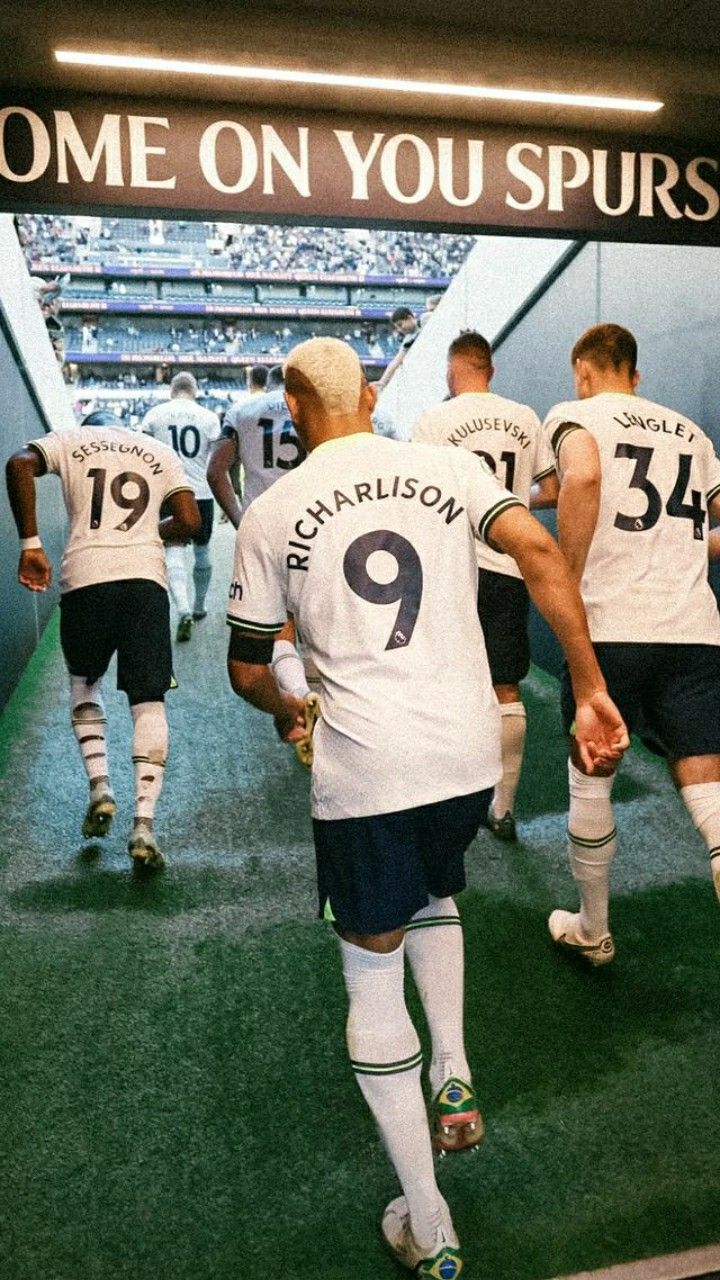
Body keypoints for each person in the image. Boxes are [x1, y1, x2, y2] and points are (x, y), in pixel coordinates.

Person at [225, 337, 628, 1276]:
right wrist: (589, 681)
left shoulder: (274, 507)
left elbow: (248, 666)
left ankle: (430, 1222)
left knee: (371, 974)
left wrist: (293, 709)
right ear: (370, 396)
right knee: (436, 892)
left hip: (366, 772)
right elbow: (535, 547)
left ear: (292, 413)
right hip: (466, 759)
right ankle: (453, 1068)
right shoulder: (447, 466)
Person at [543, 323, 720, 966]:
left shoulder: (574, 413)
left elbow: (584, 478)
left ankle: (593, 929)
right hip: (694, 631)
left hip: (611, 629)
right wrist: (677, 550)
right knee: (712, 800)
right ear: (636, 375)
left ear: (583, 372)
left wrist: (565, 572)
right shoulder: (691, 433)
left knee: (592, 781)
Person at [5, 409, 200, 869]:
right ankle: (144, 824)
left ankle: (100, 786)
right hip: (144, 582)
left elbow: (18, 463)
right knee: (149, 702)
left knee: (84, 685)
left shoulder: (72, 439)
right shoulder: (156, 449)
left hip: (86, 578)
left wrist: (30, 544)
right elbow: (190, 521)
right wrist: (148, 536)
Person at [413, 331, 558, 841]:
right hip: (506, 563)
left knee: (440, 680)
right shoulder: (524, 416)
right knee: (505, 687)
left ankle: (442, 797)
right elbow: (553, 489)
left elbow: (417, 496)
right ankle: (503, 808)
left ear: (452, 373)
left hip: (452, 565)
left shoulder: (436, 418)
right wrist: (511, 505)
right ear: (489, 370)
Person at [208, 364, 314, 735]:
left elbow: (216, 471)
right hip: (319, 523)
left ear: (267, 385)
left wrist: (240, 518)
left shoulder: (243, 411)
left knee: (280, 629)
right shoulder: (311, 406)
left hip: (266, 528)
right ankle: (327, 707)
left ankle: (299, 700)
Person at [141, 372, 221, 642]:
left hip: (167, 491)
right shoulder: (209, 418)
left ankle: (183, 608)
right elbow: (217, 461)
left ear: (171, 391)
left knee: (173, 549)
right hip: (200, 491)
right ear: (195, 390)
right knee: (202, 548)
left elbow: (142, 456)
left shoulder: (154, 415)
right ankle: (200, 606)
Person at [375, 307, 419, 393]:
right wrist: (382, 382)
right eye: (397, 327)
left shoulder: (426, 321)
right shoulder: (408, 339)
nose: (400, 329)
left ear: (410, 318)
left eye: (400, 324)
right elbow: (397, 360)